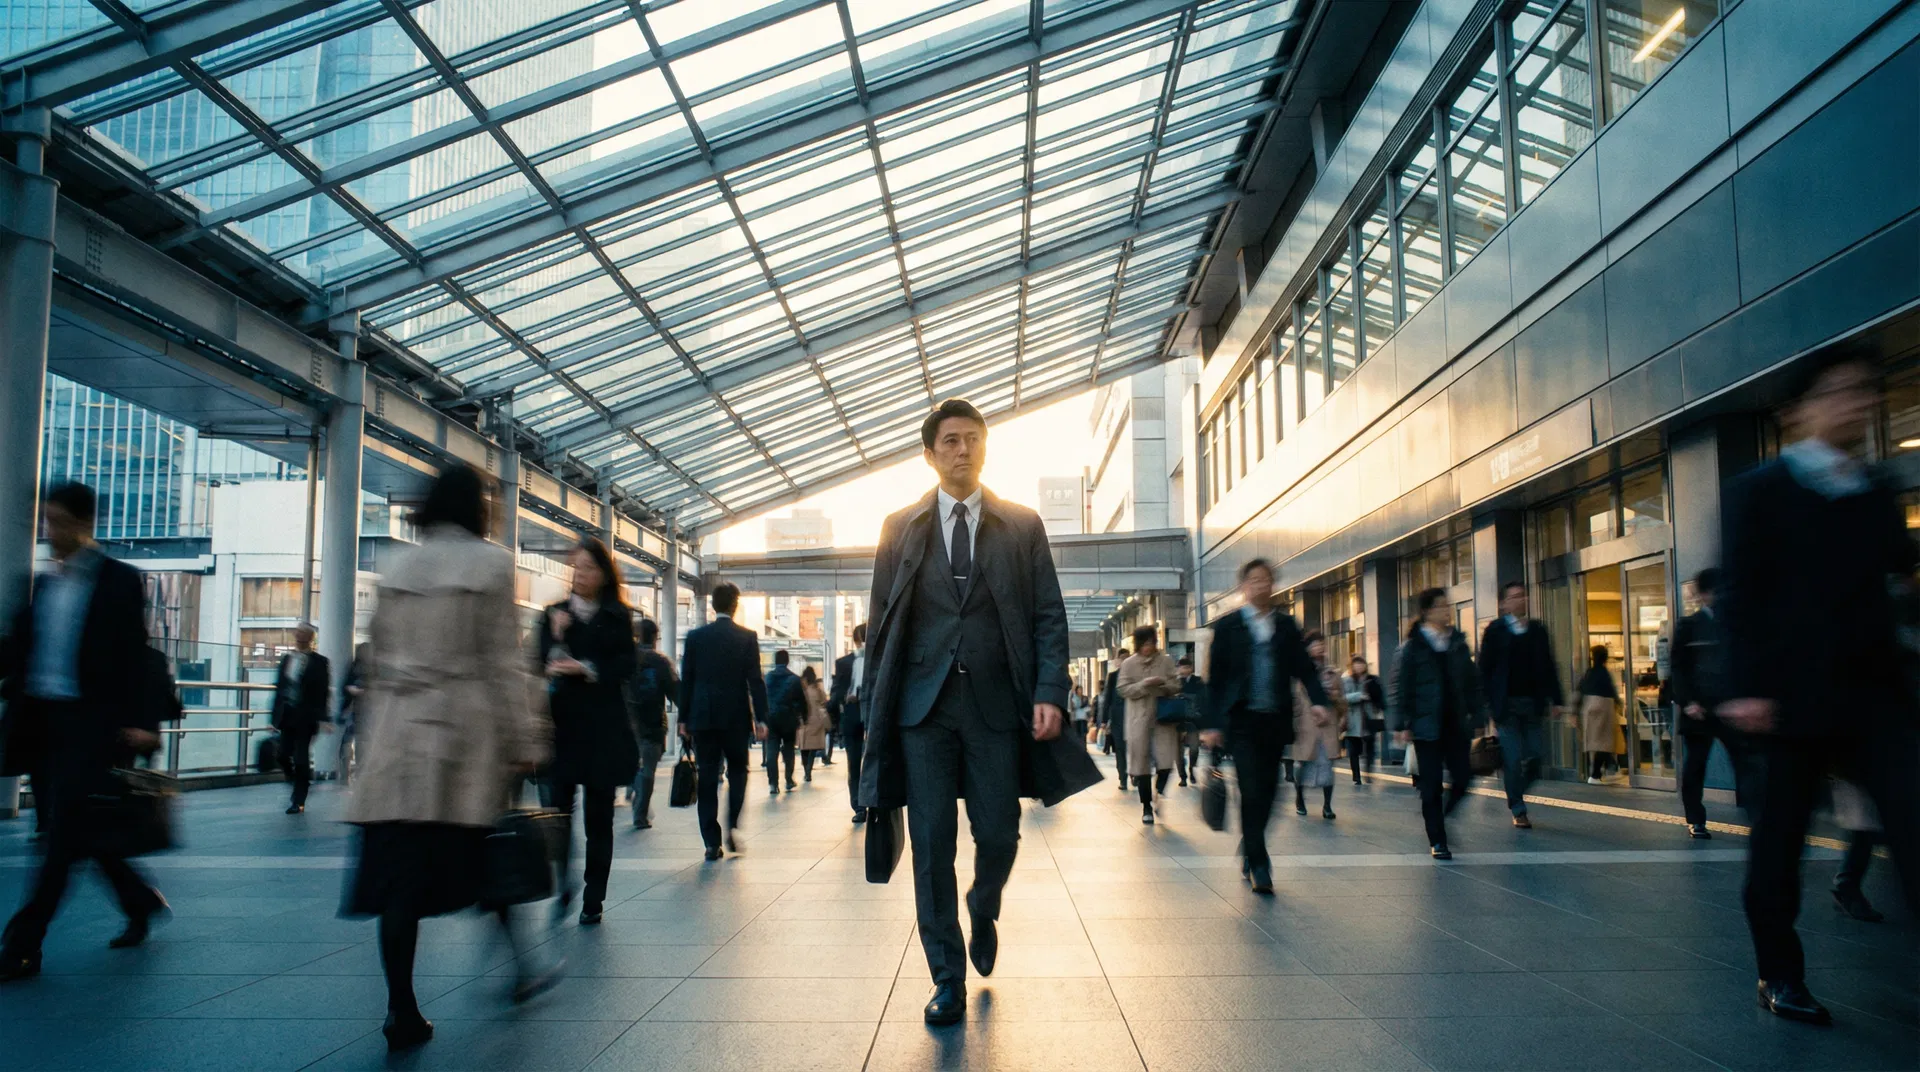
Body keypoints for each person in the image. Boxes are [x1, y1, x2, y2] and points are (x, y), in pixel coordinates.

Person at [1717, 346, 1920, 1025]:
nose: (1856, 404)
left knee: (1914, 820)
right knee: (1778, 846)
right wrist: (1745, 688)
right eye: (1838, 392)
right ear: (1799, 410)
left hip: (1875, 697)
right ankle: (1779, 974)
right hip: (1787, 700)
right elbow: (1741, 598)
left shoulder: (1876, 489)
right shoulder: (1762, 490)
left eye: (1866, 391)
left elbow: (1901, 580)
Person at [858, 398, 1072, 1025]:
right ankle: (945, 977)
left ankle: (983, 904)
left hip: (996, 708)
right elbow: (883, 624)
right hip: (922, 712)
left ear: (985, 447)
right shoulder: (900, 526)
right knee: (930, 845)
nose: (961, 449)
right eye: (949, 440)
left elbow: (1048, 615)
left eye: (971, 439)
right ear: (930, 454)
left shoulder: (1022, 525)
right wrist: (874, 709)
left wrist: (1050, 692)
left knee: (999, 833)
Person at [340, 464, 555, 1050]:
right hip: (462, 734)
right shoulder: (489, 563)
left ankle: (401, 1008)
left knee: (399, 882)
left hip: (398, 737)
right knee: (483, 851)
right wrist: (525, 739)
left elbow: (376, 657)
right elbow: (501, 662)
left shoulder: (397, 566)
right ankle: (521, 967)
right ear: (478, 508)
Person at [0, 482, 169, 981]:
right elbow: (18, 649)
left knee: (58, 839)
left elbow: (139, 658)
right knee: (79, 832)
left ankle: (22, 945)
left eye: (55, 521)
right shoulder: (42, 585)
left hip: (90, 727)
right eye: (45, 521)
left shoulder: (119, 581)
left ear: (83, 523)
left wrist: (146, 723)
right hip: (42, 725)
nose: (48, 531)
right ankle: (139, 900)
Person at [1199, 558, 1330, 894]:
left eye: (1266, 580)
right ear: (1243, 587)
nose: (1261, 586)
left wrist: (1318, 701)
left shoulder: (1286, 625)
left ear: (1274, 585)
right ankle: (1259, 863)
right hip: (1240, 722)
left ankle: (1251, 844)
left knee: (1271, 792)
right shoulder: (1228, 626)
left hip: (1275, 719)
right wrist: (1211, 723)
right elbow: (1214, 681)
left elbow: (1304, 668)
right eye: (1254, 580)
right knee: (1251, 789)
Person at [537, 536, 637, 927]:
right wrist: (559, 638)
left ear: (603, 573)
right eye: (576, 568)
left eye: (589, 568)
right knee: (558, 815)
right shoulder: (553, 614)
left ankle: (593, 897)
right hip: (560, 728)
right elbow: (539, 664)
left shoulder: (617, 615)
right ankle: (563, 883)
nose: (580, 575)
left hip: (603, 731)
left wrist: (587, 668)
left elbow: (627, 664)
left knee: (599, 820)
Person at [1389, 588, 1485, 860]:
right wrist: (1400, 723)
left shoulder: (1457, 643)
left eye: (1448, 605)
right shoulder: (1412, 647)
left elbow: (1472, 682)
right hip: (1425, 726)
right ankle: (1438, 840)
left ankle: (1442, 814)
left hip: (1456, 724)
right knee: (1430, 785)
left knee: (1464, 777)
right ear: (1428, 611)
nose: (1447, 610)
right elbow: (1399, 686)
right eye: (1442, 606)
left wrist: (1478, 716)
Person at [678, 582, 768, 860]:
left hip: (703, 718)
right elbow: (755, 681)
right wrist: (762, 719)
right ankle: (732, 826)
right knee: (738, 771)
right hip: (736, 718)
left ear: (713, 605)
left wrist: (683, 718)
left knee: (707, 776)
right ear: (735, 604)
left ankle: (710, 841)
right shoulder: (747, 637)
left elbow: (687, 681)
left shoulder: (695, 637)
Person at [1670, 567, 1753, 838]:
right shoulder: (1689, 626)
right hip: (1698, 711)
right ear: (1704, 595)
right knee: (1695, 767)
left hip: (1730, 709)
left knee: (1746, 763)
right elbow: (1677, 669)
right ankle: (1696, 819)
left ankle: (1758, 815)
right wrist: (1688, 702)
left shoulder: (1735, 625)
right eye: (1715, 591)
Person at [1477, 581, 1564, 830]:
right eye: (1514, 597)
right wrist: (1486, 707)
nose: (1520, 600)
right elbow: (1484, 669)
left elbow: (1549, 665)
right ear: (1504, 604)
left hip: (1532, 703)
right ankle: (1518, 808)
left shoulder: (1538, 629)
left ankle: (1515, 790)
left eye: (1523, 595)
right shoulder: (1495, 630)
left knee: (1536, 757)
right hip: (1506, 706)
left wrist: (1556, 699)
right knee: (1512, 759)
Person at [1118, 624, 1181, 825]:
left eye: (1151, 643)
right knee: (1141, 764)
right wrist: (1143, 685)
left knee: (1166, 761)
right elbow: (1123, 689)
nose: (1148, 648)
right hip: (1138, 719)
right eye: (1144, 644)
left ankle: (1159, 792)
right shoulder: (1129, 664)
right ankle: (1146, 807)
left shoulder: (1166, 661)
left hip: (1163, 718)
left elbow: (1176, 685)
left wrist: (1162, 684)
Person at [269, 621, 331, 814]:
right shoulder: (287, 659)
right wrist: (273, 719)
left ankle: (299, 799)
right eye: (298, 633)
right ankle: (296, 779)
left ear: (311, 638)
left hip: (306, 717)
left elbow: (323, 692)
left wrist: (324, 718)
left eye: (304, 634)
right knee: (282, 754)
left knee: (301, 758)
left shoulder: (320, 662)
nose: (300, 637)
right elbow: (280, 689)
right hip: (287, 715)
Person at [626, 618, 678, 830]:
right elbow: (676, 692)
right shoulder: (661, 662)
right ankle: (640, 815)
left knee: (634, 765)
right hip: (653, 723)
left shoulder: (625, 659)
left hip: (626, 723)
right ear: (655, 637)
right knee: (648, 771)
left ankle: (632, 787)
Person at [1292, 631, 1343, 819]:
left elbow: (1342, 701)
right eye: (1315, 645)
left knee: (1328, 767)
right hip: (1306, 725)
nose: (1319, 648)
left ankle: (1327, 806)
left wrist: (1336, 700)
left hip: (1328, 725)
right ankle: (1300, 799)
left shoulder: (1332, 673)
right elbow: (1293, 701)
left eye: (1321, 644)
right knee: (1303, 765)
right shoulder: (1298, 673)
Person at [829, 622, 867, 823]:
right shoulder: (843, 663)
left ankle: (869, 802)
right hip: (853, 714)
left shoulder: (878, 662)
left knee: (866, 761)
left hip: (867, 715)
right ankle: (859, 805)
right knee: (854, 762)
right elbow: (836, 692)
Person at [1577, 646, 1620, 785]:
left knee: (1596, 743)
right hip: (1604, 707)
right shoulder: (1604, 673)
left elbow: (1580, 689)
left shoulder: (1589, 672)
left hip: (1589, 708)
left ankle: (1608, 768)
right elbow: (1611, 690)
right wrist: (1618, 702)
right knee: (1604, 743)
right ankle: (1597, 773)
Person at [763, 649, 802, 793]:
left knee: (772, 751)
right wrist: (803, 716)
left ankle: (773, 783)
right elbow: (801, 701)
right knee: (789, 750)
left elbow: (762, 698)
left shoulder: (768, 678)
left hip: (771, 718)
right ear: (787, 661)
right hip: (789, 719)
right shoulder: (794, 679)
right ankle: (789, 779)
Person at [1341, 655, 1384, 784]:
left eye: (1361, 664)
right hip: (1352, 719)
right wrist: (1359, 696)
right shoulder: (1346, 681)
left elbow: (1379, 696)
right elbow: (1342, 698)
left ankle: (1368, 772)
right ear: (1352, 666)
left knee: (1370, 748)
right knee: (1353, 750)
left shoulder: (1372, 679)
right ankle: (1356, 776)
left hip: (1369, 718)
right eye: (1356, 664)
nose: (1359, 666)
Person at [337, 641, 370, 787]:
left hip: (358, 711)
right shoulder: (363, 668)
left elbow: (343, 686)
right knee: (356, 743)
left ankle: (347, 775)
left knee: (350, 742)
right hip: (357, 710)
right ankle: (353, 774)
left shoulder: (354, 666)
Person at [1176, 657, 1208, 787]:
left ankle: (1191, 769)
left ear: (1191, 668)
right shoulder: (1175, 682)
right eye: (1181, 667)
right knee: (1178, 752)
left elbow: (1203, 699)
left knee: (1194, 749)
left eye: (1186, 667)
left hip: (1194, 721)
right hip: (1178, 721)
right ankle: (1182, 776)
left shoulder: (1198, 682)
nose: (1183, 670)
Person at [796, 665, 830, 781]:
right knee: (812, 748)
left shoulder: (801, 689)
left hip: (803, 720)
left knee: (804, 747)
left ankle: (806, 769)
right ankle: (808, 771)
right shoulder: (817, 689)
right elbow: (824, 702)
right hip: (816, 720)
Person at [1100, 649, 1128, 785]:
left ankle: (1135, 773)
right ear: (1117, 661)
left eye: (1127, 658)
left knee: (1133, 749)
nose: (1124, 661)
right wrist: (1104, 720)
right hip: (1117, 719)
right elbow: (1107, 699)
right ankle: (1123, 777)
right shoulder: (1112, 676)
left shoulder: (1134, 676)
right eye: (1122, 658)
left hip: (1132, 718)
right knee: (1120, 749)